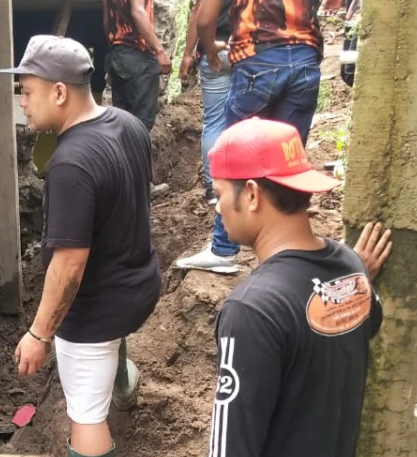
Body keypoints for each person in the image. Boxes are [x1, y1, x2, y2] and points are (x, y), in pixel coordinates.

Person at [160, 118, 392, 457]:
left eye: (220, 195)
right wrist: (360, 272)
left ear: (255, 193)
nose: (219, 209)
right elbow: (365, 325)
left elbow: (230, 447)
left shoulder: (252, 307)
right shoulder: (346, 271)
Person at [0, 35, 161, 457]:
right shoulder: (127, 124)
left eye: (27, 92)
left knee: (85, 415)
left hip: (97, 308)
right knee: (111, 357)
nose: (22, 103)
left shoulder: (70, 163)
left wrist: (40, 333)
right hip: (139, 283)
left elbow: (68, 267)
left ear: (61, 92)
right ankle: (121, 378)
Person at [175, 0, 342, 274]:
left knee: (237, 155)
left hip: (258, 56)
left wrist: (211, 49)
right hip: (305, 58)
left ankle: (223, 250)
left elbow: (205, 19)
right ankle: (289, 247)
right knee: (287, 158)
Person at [179, 0, 234, 206]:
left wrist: (187, 54)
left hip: (214, 52)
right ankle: (242, 181)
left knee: (214, 121)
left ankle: (213, 187)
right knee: (245, 118)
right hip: (245, 50)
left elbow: (198, 14)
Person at [103, 0, 172, 131]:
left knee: (122, 123)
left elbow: (106, 22)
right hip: (138, 53)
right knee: (141, 124)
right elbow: (137, 11)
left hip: (116, 54)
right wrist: (159, 50)